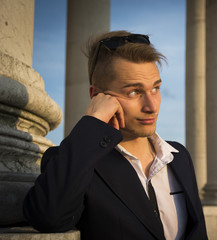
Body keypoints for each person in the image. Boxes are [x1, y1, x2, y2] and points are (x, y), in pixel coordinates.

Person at [23, 30, 207, 240]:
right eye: (134, 92)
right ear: (97, 96)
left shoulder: (179, 156)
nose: (152, 106)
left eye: (156, 88)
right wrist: (93, 122)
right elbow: (48, 217)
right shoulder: (76, 163)